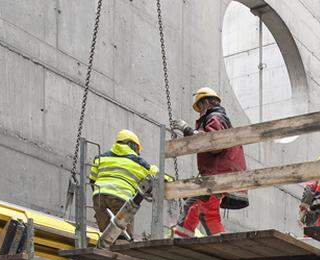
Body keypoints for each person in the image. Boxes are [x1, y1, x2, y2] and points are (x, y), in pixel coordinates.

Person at [171, 87, 248, 237]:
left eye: (199, 107)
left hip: (219, 174)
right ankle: (219, 241)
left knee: (192, 204)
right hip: (224, 172)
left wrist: (187, 130)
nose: (199, 111)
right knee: (207, 212)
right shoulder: (219, 118)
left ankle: (181, 239)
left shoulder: (215, 118)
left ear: (206, 103)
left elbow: (213, 144)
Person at [88, 129, 158, 239]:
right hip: (120, 199)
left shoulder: (101, 158)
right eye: (137, 149)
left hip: (99, 198)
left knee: (107, 235)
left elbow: (92, 180)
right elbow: (154, 175)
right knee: (123, 237)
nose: (138, 152)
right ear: (133, 145)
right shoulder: (138, 162)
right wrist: (156, 170)